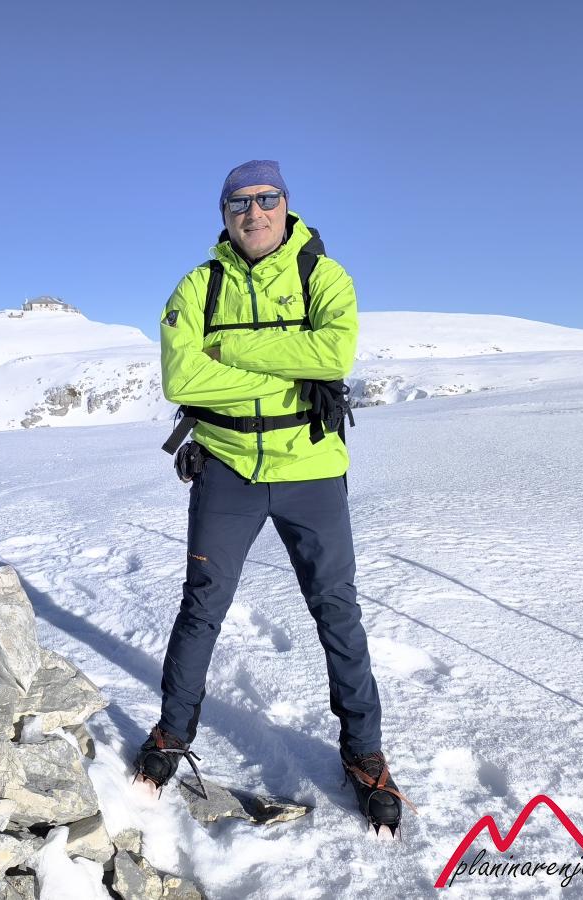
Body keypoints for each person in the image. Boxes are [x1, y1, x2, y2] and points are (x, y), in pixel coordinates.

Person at [136, 159, 411, 835]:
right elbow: (181, 377)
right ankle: (172, 734)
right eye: (239, 203)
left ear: (286, 205)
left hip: (310, 468)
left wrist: (228, 358)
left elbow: (333, 356)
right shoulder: (199, 286)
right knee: (202, 605)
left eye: (266, 199)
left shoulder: (324, 276)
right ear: (224, 215)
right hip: (226, 467)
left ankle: (364, 755)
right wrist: (288, 361)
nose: (253, 212)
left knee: (337, 610)